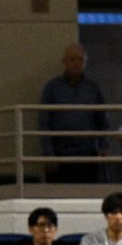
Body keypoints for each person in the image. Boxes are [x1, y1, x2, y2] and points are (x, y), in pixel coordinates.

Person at [39, 43, 107, 183]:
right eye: (72, 59)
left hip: (87, 155)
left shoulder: (93, 89)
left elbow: (101, 120)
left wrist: (103, 146)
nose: (76, 63)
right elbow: (44, 122)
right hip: (59, 155)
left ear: (85, 63)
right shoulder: (52, 88)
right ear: (64, 62)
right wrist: (48, 154)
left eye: (80, 60)